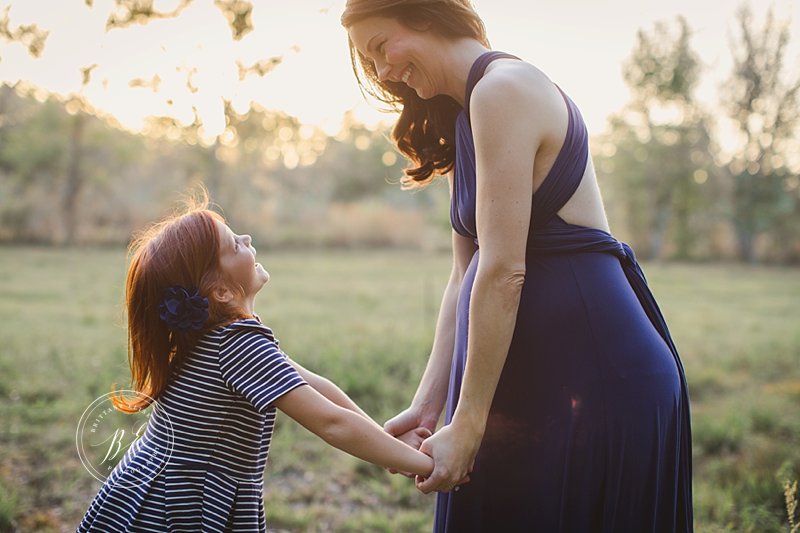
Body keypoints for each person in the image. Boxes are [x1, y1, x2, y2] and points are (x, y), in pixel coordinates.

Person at [342, 1, 693, 531]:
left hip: (598, 382)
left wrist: (469, 423)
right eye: (372, 64)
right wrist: (431, 404)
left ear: (424, 15)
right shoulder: (465, 114)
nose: (385, 72)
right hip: (530, 387)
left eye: (380, 48)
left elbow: (505, 269)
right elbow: (465, 274)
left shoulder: (504, 90)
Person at [77, 195, 433, 532]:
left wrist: (394, 447)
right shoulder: (237, 345)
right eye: (234, 244)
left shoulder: (215, 335)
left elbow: (318, 388)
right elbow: (331, 423)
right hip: (185, 508)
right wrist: (426, 465)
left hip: (147, 490)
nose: (247, 238)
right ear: (221, 292)